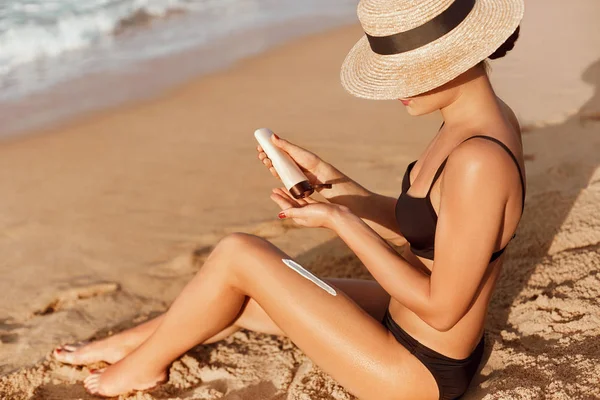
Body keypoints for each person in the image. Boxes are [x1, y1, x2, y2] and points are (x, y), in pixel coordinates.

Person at [52, 0, 526, 399]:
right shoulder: (474, 123)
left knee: (241, 253)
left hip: (420, 371)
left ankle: (141, 367)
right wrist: (328, 181)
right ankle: (134, 344)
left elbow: (443, 308)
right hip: (401, 322)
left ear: (456, 57)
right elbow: (427, 229)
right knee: (238, 300)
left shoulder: (478, 161)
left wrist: (342, 223)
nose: (394, 89)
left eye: (404, 70)